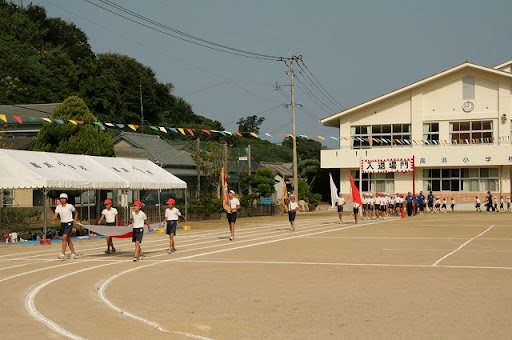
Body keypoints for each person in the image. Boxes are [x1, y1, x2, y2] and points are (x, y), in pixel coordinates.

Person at [49, 193, 78, 260]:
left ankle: (63, 253)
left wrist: (75, 220)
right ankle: (73, 253)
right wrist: (52, 219)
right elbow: (55, 215)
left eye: (64, 198)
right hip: (63, 223)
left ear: (66, 199)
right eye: (61, 198)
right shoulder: (58, 207)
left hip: (69, 223)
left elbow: (76, 212)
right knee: (68, 239)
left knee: (64, 237)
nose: (62, 200)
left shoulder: (70, 206)